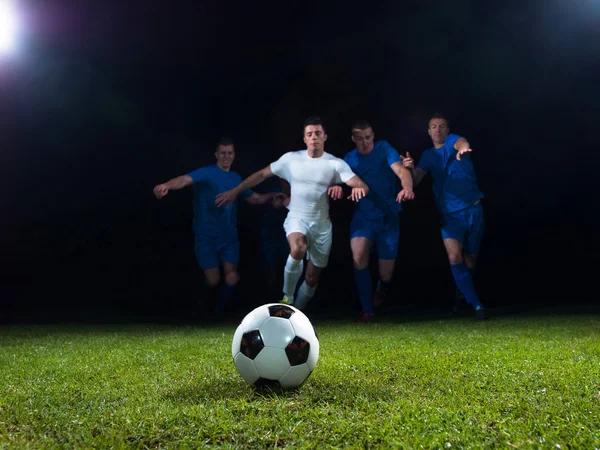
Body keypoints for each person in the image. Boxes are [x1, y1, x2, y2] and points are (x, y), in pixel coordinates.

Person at [216, 116, 369, 311]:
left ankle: (299, 310)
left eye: (318, 134)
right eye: (310, 134)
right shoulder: (291, 159)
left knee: (312, 278)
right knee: (298, 248)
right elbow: (262, 174)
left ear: (325, 137)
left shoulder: (335, 164)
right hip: (297, 218)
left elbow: (360, 184)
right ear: (305, 139)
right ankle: (287, 298)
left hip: (321, 225)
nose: (314, 137)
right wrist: (235, 191)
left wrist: (358, 188)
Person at [153, 137, 278, 316]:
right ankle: (202, 305)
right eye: (223, 153)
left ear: (233, 155)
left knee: (232, 277)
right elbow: (183, 180)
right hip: (206, 236)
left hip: (229, 237)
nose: (226, 156)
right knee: (213, 280)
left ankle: (219, 312)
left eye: (230, 153)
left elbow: (254, 198)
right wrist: (166, 185)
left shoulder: (235, 178)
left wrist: (272, 195)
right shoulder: (207, 173)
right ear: (217, 155)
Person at [402, 114, 486, 320]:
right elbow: (416, 180)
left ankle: (461, 295)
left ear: (447, 129)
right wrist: (410, 168)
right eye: (433, 127)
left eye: (441, 126)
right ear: (429, 132)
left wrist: (464, 148)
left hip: (473, 209)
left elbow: (462, 143)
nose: (437, 130)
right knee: (454, 256)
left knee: (470, 260)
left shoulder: (453, 141)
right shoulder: (428, 155)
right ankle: (477, 306)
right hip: (449, 215)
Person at [329, 120, 414, 322]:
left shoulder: (384, 149)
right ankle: (366, 309)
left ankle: (382, 287)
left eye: (368, 137)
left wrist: (407, 187)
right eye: (360, 139)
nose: (365, 142)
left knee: (386, 275)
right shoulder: (349, 159)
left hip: (388, 217)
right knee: (358, 257)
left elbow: (401, 171)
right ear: (353, 139)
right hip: (363, 218)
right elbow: (335, 179)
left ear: (373, 136)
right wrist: (337, 187)